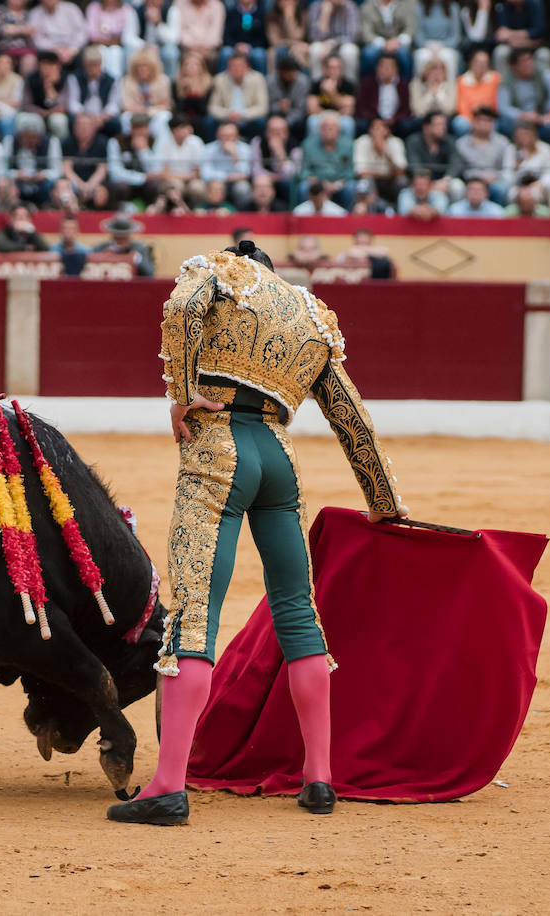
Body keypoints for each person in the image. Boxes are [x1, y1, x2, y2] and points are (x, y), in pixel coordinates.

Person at [105, 239, 405, 827]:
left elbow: (185, 305)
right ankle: (318, 777)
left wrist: (183, 395)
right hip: (279, 459)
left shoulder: (215, 272)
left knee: (194, 615)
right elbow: (353, 419)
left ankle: (168, 785)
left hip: (219, 449)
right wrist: (384, 503)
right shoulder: (309, 313)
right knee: (299, 612)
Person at [496, 46, 550, 142]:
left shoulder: (541, 73)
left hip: (540, 118)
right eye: (524, 62)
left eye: (530, 60)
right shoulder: (506, 80)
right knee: (503, 125)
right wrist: (524, 116)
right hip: (518, 121)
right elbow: (503, 108)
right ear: (514, 66)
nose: (529, 64)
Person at [208, 50, 268, 140]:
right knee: (209, 121)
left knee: (261, 122)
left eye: (240, 66)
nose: (236, 69)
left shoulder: (257, 79)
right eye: (233, 66)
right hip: (226, 119)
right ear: (228, 68)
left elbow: (262, 108)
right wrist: (227, 114)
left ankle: (257, 147)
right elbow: (213, 107)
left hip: (248, 119)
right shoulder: (219, 80)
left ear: (247, 67)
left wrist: (242, 114)